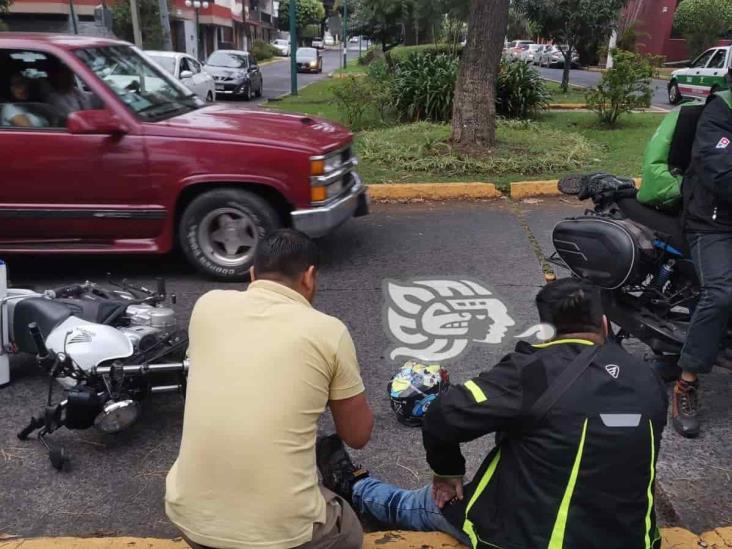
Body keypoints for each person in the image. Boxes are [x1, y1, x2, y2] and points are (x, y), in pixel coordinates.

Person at [317, 278, 668, 549]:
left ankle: (355, 485)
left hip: (530, 537)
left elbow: (443, 415)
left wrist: (447, 472)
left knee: (422, 504)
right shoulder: (647, 377)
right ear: (604, 325)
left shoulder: (534, 370)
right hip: (632, 537)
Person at [165, 229, 373, 549]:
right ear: (310, 277)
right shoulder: (328, 331)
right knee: (350, 532)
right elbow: (357, 435)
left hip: (193, 524)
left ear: (252, 274)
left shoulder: (207, 306)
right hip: (284, 536)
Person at [675, 70, 732, 438]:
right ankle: (687, 383)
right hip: (713, 222)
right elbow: (720, 173)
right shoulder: (721, 109)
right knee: (723, 292)